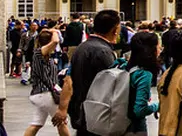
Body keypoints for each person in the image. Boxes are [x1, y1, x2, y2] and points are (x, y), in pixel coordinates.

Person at [53, 8, 122, 136]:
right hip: (97, 113)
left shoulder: (82, 47)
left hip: (81, 110)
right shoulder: (103, 52)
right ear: (115, 30)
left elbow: (68, 80)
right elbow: (110, 87)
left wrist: (63, 108)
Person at [26, 28, 69, 136]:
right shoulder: (39, 53)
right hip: (46, 93)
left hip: (40, 94)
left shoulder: (44, 56)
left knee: (36, 123)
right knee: (61, 122)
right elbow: (55, 41)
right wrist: (54, 30)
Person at [126, 30, 161, 136]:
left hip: (117, 120)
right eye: (159, 47)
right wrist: (156, 106)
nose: (160, 50)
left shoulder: (124, 66)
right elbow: (139, 110)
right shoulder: (144, 74)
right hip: (135, 127)